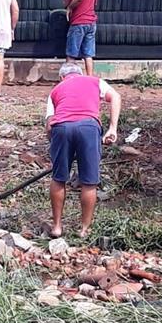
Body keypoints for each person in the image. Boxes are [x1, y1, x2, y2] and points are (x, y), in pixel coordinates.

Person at [45, 62, 121, 238]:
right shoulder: (94, 81)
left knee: (58, 178)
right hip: (88, 127)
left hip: (61, 128)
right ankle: (84, 230)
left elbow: (49, 125)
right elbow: (115, 97)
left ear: (62, 77)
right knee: (89, 182)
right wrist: (112, 128)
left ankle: (57, 227)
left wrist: (56, 149)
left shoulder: (56, 90)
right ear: (80, 74)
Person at [65, 0, 97, 76]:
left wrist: (69, 7)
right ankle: (90, 78)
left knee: (71, 53)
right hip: (91, 23)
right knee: (88, 54)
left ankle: (68, 78)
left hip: (79, 22)